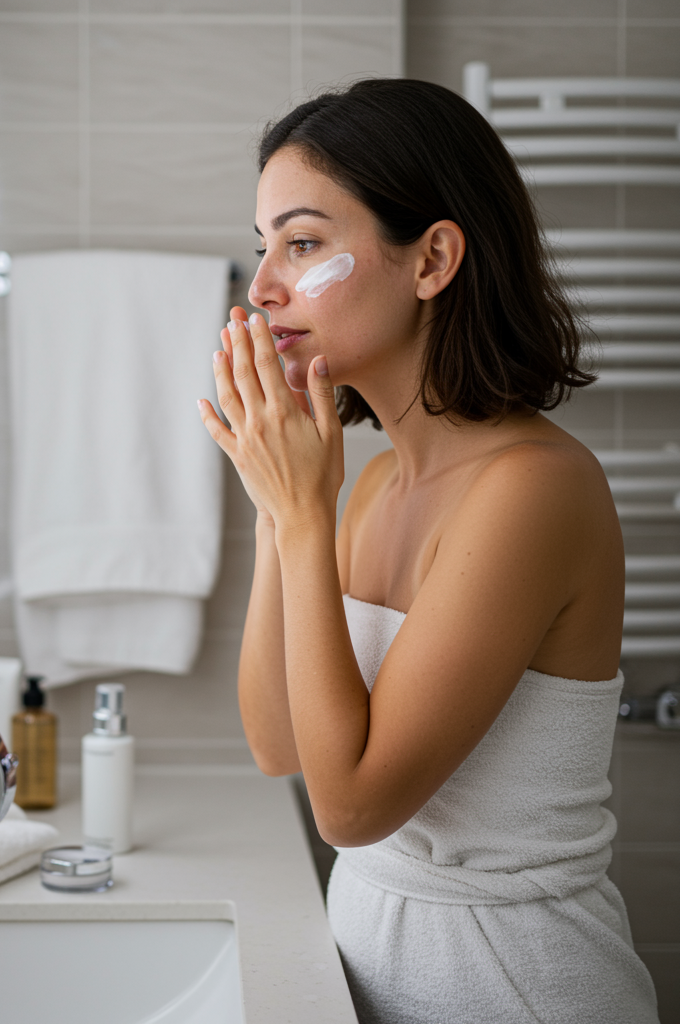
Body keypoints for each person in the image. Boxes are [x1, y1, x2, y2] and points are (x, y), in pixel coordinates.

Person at [197, 79, 659, 1024]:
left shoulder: (532, 490)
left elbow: (352, 809)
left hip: (520, 987)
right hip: (382, 968)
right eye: (264, 249)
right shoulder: (367, 488)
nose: (262, 287)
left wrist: (299, 519)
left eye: (304, 242)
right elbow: (276, 741)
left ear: (432, 259)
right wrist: (275, 499)